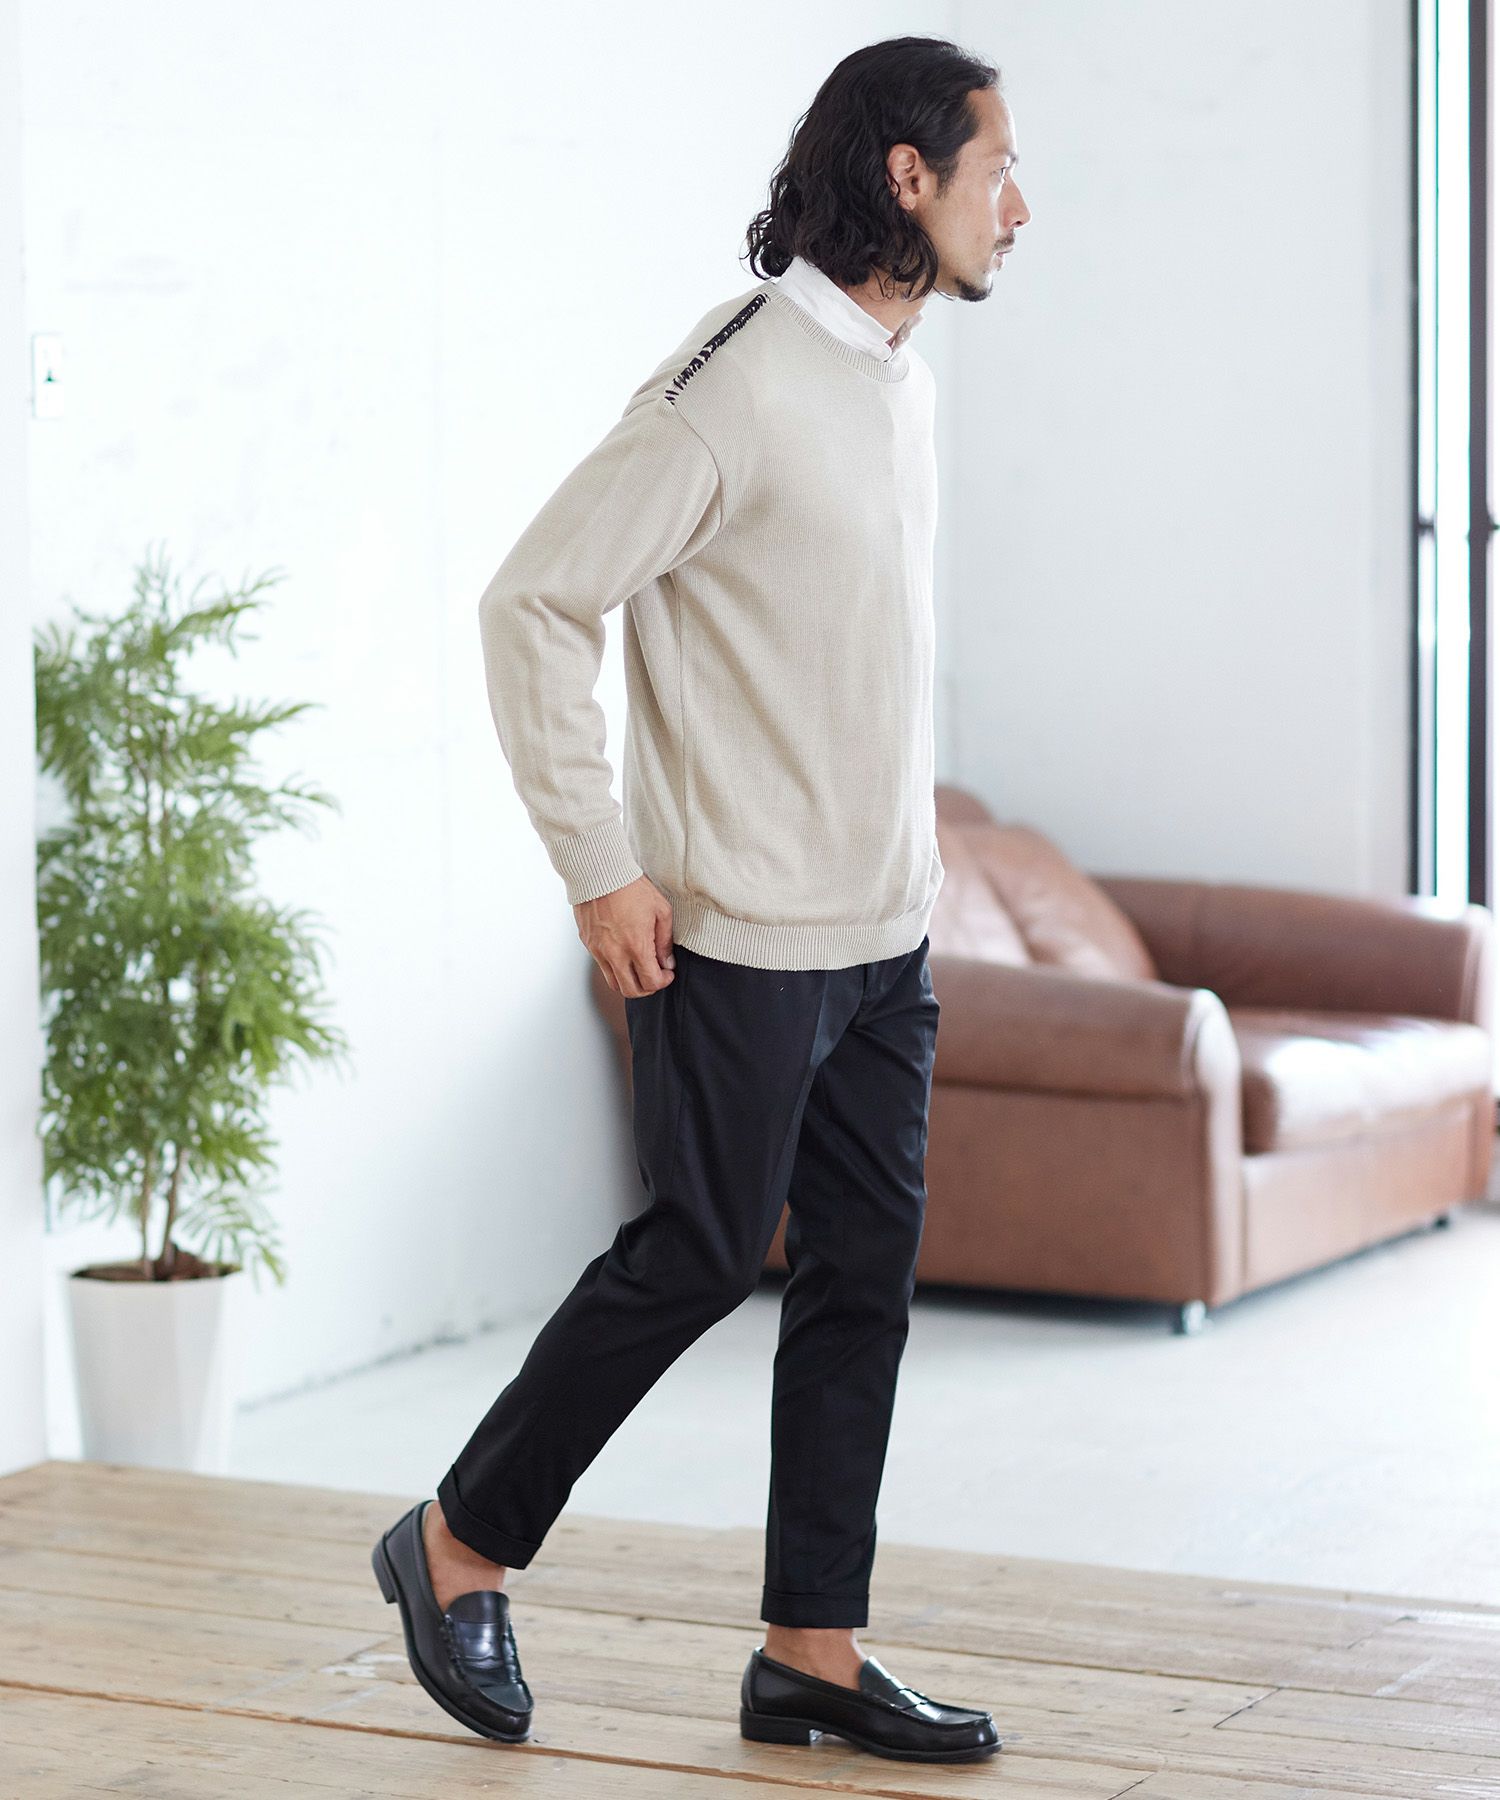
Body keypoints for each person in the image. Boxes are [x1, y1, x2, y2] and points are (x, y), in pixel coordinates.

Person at [372, 33, 1030, 1764]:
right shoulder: (732, 383)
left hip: (884, 938)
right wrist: (600, 866)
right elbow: (533, 603)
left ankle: (812, 1647)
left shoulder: (899, 378)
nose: (1018, 207)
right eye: (996, 170)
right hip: (738, 935)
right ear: (907, 176)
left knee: (861, 1281)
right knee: (694, 1258)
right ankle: (455, 1548)